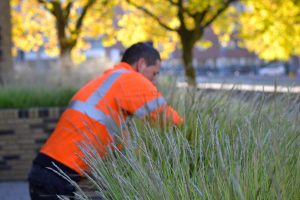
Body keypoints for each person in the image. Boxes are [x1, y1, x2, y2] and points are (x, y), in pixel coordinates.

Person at [28, 42, 183, 199]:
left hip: (47, 171)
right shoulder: (130, 79)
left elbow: (120, 143)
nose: (155, 81)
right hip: (59, 177)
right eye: (154, 73)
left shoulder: (107, 83)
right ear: (141, 65)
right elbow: (170, 121)